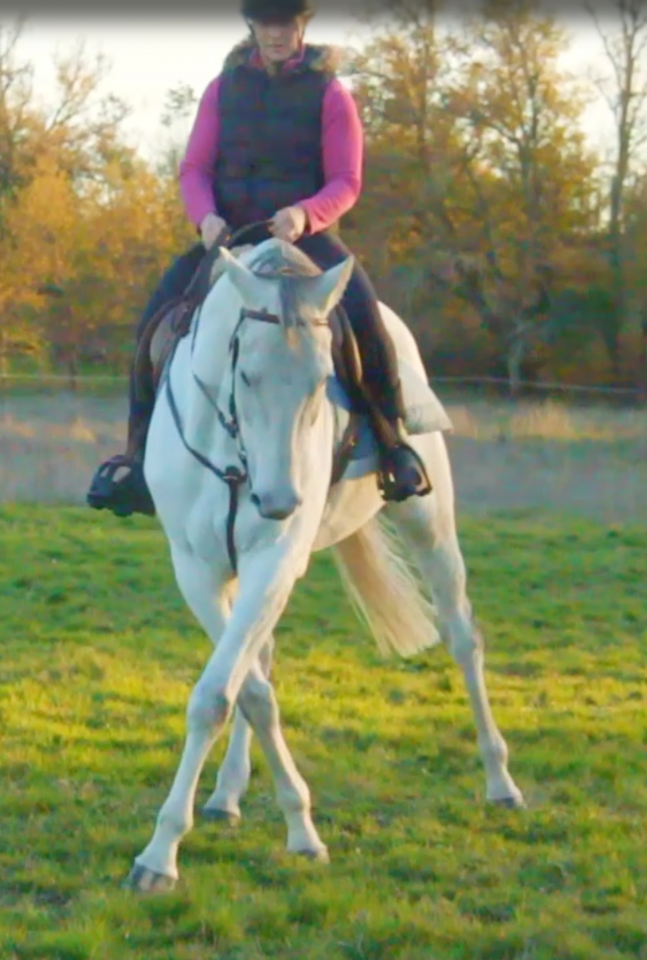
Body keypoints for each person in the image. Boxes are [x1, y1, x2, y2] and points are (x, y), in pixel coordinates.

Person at [86, 0, 431, 518]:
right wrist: (204, 218)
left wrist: (304, 214)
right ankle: (136, 460)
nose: (275, 33)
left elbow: (347, 180)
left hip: (302, 237)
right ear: (252, 26)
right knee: (154, 323)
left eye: (285, 23)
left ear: (301, 27)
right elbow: (195, 169)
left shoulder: (331, 93)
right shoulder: (222, 90)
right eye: (266, 23)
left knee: (363, 314)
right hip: (230, 236)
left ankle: (393, 444)